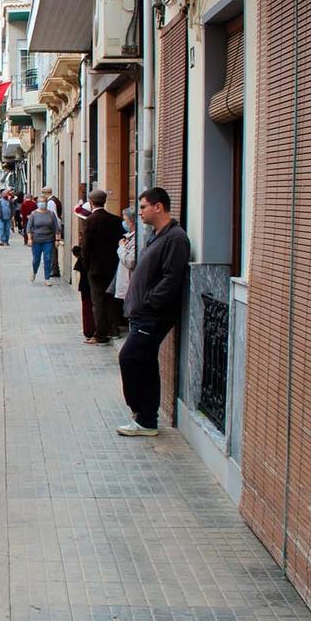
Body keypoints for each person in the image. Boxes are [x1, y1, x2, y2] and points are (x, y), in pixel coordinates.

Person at [117, 187, 191, 437]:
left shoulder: (175, 238)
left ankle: (142, 413)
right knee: (146, 363)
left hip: (152, 315)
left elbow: (171, 278)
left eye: (144, 207)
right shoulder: (157, 235)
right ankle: (147, 420)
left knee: (129, 358)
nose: (140, 213)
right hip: (143, 312)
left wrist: (149, 302)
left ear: (158, 207)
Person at [80, 189, 124, 345]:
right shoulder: (115, 220)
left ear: (91, 203)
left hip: (95, 268)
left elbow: (86, 246)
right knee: (111, 298)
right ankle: (114, 329)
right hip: (112, 266)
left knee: (97, 301)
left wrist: (86, 264)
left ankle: (101, 335)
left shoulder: (90, 221)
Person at [114, 207, 138, 334]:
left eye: (125, 220)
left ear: (132, 222)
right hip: (127, 282)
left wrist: (121, 248)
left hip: (130, 282)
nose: (124, 223)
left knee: (132, 314)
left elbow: (130, 261)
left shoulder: (137, 240)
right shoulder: (130, 237)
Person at [27, 197, 62, 285]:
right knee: (36, 259)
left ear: (46, 203)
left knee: (48, 258)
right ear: (37, 203)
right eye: (40, 202)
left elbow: (56, 227)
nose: (42, 204)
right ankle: (34, 271)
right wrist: (29, 239)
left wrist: (57, 239)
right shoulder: (34, 214)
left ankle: (47, 278)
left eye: (43, 202)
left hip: (48, 240)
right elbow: (29, 227)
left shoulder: (51, 214)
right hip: (37, 240)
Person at [72, 244, 96, 341]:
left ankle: (89, 330)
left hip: (88, 283)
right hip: (92, 280)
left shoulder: (84, 257)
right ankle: (90, 329)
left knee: (88, 307)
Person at [42, 187, 64, 278]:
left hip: (51, 230)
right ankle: (54, 269)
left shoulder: (51, 202)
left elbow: (54, 217)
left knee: (52, 251)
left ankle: (54, 269)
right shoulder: (55, 200)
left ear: (45, 193)